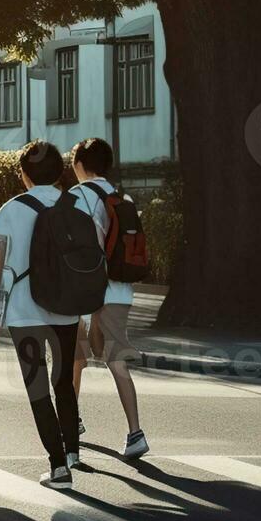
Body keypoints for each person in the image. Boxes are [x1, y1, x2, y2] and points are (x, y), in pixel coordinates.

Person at [0, 141, 82, 489]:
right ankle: (72, 451)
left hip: (24, 313)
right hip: (67, 309)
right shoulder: (76, 204)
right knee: (64, 382)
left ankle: (58, 467)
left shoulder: (11, 210)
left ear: (24, 174)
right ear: (59, 173)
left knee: (37, 386)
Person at [69, 138, 148, 460]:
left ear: (79, 165)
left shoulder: (77, 197)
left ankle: (70, 423)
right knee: (117, 359)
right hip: (119, 290)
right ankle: (135, 432)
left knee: (74, 358)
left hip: (84, 291)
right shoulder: (121, 197)